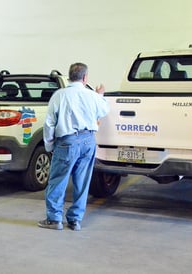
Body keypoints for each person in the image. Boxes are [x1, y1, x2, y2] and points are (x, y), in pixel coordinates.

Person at [38, 62, 109, 231]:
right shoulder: (92, 96)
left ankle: (55, 219)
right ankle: (75, 220)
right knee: (82, 182)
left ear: (70, 77)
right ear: (85, 78)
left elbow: (49, 124)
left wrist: (49, 145)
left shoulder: (59, 95)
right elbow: (104, 110)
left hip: (67, 142)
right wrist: (100, 96)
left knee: (58, 181)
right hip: (88, 141)